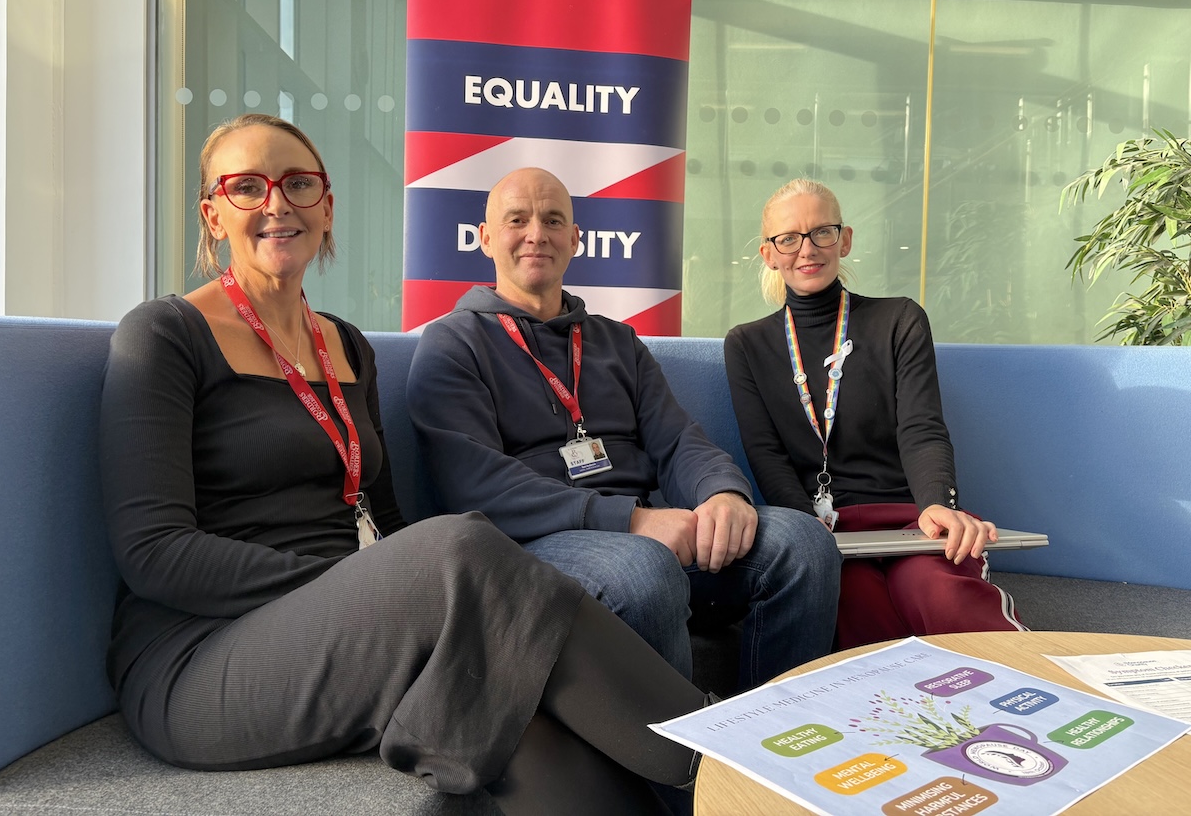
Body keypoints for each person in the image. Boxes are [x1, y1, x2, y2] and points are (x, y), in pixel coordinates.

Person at [98, 115, 712, 816]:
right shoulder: (164, 335)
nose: (277, 204)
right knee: (460, 543)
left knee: (533, 727)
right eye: (247, 187)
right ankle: (724, 760)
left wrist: (382, 595)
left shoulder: (345, 346)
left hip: (346, 639)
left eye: (299, 184)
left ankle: (706, 781)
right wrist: (363, 589)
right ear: (212, 213)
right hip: (204, 659)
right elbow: (153, 555)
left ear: (326, 208)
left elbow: (379, 515)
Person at [407, 166, 841, 692]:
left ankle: (772, 743)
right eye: (516, 220)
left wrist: (722, 493)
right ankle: (675, 770)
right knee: (644, 571)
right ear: (485, 238)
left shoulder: (618, 343)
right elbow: (476, 485)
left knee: (802, 545)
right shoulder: (452, 343)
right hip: (531, 549)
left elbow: (678, 439)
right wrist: (630, 521)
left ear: (575, 239)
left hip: (644, 539)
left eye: (553, 220)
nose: (536, 234)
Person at [723, 178, 1026, 651]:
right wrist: (806, 526)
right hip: (826, 530)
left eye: (822, 232)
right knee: (855, 606)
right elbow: (766, 454)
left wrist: (937, 504)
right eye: (789, 238)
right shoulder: (746, 344)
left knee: (933, 591)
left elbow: (922, 429)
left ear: (844, 240)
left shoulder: (899, 319)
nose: (807, 249)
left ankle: (1047, 685)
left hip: (911, 516)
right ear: (770, 254)